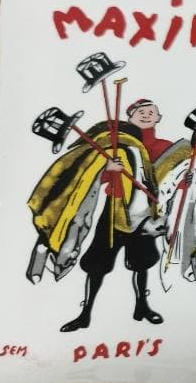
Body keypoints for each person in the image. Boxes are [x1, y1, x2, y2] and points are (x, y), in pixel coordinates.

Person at [61, 98, 172, 331]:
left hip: (145, 212)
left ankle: (142, 306)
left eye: (151, 111)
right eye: (140, 112)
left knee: (142, 262)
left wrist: (185, 180)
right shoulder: (115, 143)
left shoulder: (164, 147)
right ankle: (85, 313)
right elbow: (92, 176)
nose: (145, 115)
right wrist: (107, 168)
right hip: (115, 210)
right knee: (98, 262)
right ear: (129, 117)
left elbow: (172, 177)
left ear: (159, 117)